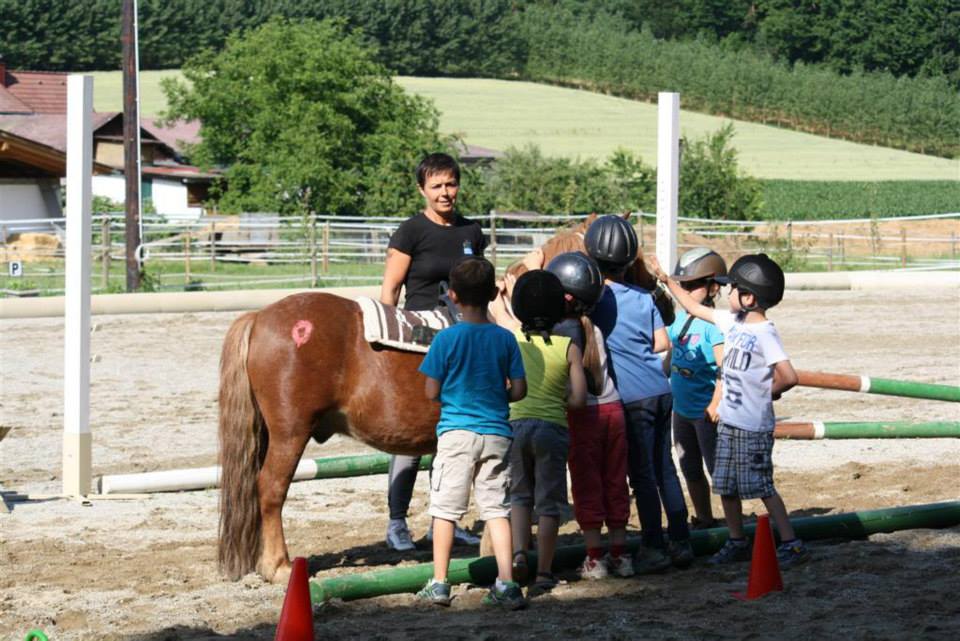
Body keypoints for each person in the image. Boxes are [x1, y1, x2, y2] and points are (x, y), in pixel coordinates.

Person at [650, 253, 808, 567]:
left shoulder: (765, 333)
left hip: (753, 425)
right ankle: (737, 540)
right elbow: (692, 307)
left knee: (762, 485)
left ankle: (791, 542)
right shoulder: (729, 321)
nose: (727, 292)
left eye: (733, 288)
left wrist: (765, 392)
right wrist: (667, 280)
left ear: (748, 297)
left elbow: (789, 376)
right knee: (725, 483)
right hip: (729, 423)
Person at [380, 152, 486, 551]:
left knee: (453, 436)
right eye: (437, 186)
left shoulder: (472, 232)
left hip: (464, 340)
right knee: (411, 438)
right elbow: (390, 291)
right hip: (418, 338)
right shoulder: (410, 232)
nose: (446, 192)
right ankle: (396, 522)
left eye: (451, 184)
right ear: (423, 189)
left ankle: (445, 520)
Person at [414, 257, 528, 608]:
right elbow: (520, 390)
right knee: (497, 509)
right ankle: (507, 583)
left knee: (445, 509)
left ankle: (439, 582)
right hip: (496, 432)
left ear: (452, 296)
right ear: (495, 293)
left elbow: (431, 391)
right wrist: (501, 395)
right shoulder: (505, 339)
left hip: (456, 433)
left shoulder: (446, 339)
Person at [585, 215, 694, 574]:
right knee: (665, 469)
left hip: (630, 399)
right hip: (662, 391)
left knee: (642, 475)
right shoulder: (644, 296)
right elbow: (661, 342)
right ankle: (681, 540)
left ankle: (653, 545)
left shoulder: (595, 301)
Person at [546, 252, 634, 581]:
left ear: (565, 296)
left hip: (583, 417)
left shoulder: (559, 332)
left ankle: (595, 559)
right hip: (615, 410)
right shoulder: (594, 326)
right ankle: (621, 554)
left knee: (586, 485)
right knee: (615, 482)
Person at [506, 269, 588, 596]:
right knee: (550, 502)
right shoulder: (569, 347)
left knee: (519, 497)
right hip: (552, 428)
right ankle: (543, 571)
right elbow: (579, 400)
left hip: (514, 425)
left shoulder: (511, 340)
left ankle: (517, 555)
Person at [663, 248, 728, 530]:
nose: (686, 291)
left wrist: (715, 403)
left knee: (717, 470)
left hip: (705, 412)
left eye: (692, 286)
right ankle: (704, 517)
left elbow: (724, 368)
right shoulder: (677, 322)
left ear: (713, 287)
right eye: (683, 285)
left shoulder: (714, 325)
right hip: (681, 409)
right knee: (690, 467)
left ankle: (732, 523)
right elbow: (670, 359)